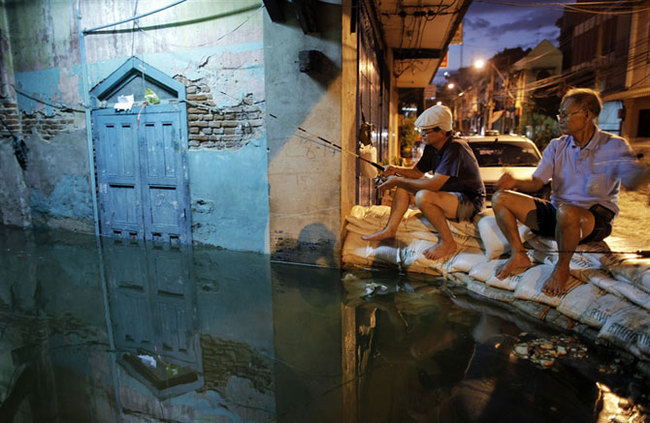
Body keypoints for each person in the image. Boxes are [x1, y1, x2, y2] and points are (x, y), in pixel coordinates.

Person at [492, 88, 650, 296]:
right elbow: (536, 181)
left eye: (565, 114)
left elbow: (634, 180)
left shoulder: (613, 146)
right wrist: (515, 182)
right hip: (559, 212)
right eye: (560, 114)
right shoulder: (557, 146)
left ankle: (562, 268)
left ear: (587, 114)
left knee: (568, 212)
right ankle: (518, 254)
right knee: (500, 199)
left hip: (594, 218)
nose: (560, 119)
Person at [362, 104, 485, 260]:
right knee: (403, 189)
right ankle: (390, 230)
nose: (422, 135)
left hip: (468, 201)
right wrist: (395, 170)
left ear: (441, 131)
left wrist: (399, 180)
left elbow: (434, 185)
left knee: (423, 196)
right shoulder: (432, 147)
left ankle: (448, 243)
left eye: (426, 131)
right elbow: (417, 172)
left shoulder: (455, 147)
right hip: (448, 196)